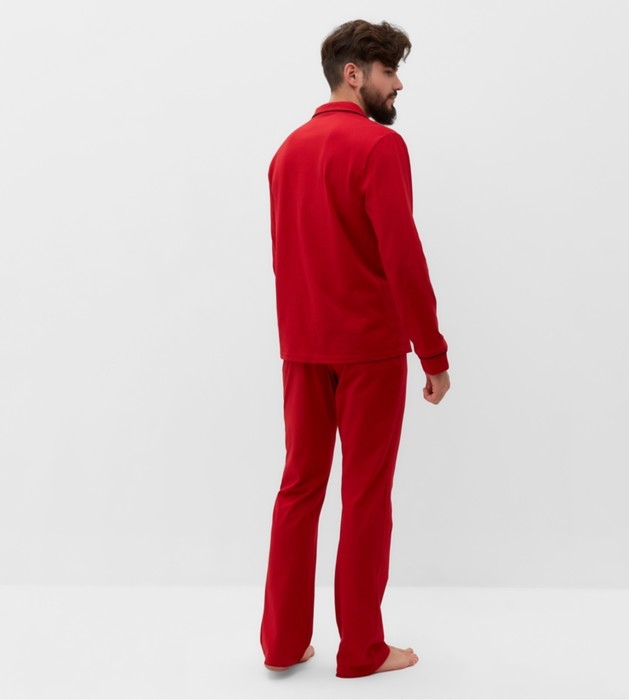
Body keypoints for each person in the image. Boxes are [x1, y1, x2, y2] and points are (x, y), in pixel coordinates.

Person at [260, 18, 450, 679]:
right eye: (389, 71)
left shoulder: (286, 152)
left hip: (302, 347)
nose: (397, 85)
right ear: (354, 73)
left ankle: (282, 644)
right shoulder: (379, 147)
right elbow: (403, 257)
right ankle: (362, 649)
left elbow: (286, 258)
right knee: (365, 496)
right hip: (368, 350)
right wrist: (433, 354)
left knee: (298, 488)